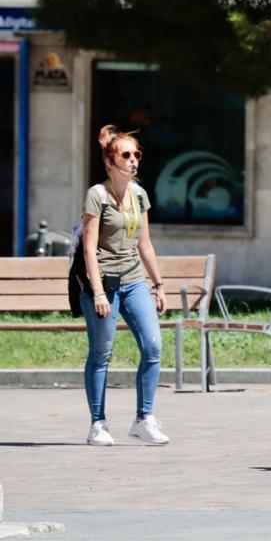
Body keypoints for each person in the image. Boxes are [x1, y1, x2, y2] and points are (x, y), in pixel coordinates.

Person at [81, 125, 170, 447]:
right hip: (102, 283)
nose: (134, 160)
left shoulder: (139, 194)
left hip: (133, 281)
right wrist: (99, 293)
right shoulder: (97, 195)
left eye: (137, 155)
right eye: (126, 155)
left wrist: (158, 285)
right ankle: (98, 424)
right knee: (101, 352)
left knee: (153, 345)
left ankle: (143, 419)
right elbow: (89, 248)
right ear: (110, 161)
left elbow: (144, 243)